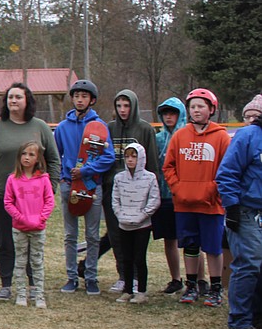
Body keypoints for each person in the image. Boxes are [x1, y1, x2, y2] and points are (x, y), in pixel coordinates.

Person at [0, 82, 59, 301]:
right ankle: (6, 284)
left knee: (32, 243)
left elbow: (53, 159)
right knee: (6, 242)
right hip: (3, 198)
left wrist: (50, 190)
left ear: (27, 100)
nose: (13, 101)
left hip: (33, 200)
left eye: (18, 97)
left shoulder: (39, 126)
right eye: (10, 97)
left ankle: (33, 286)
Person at [164, 88, 232, 306]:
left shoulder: (221, 137)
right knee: (190, 246)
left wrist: (212, 190)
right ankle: (191, 286)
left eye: (201, 106)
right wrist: (178, 188)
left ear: (211, 109)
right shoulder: (180, 135)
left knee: (212, 247)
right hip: (184, 203)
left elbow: (227, 170)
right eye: (192, 107)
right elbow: (168, 167)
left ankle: (215, 288)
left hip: (210, 205)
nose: (196, 110)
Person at [54, 79, 115, 296]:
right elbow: (55, 155)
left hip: (91, 185)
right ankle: (71, 277)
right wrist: (62, 177)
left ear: (92, 100)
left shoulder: (99, 127)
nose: (80, 100)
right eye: (76, 96)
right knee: (70, 235)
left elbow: (108, 158)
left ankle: (90, 277)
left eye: (84, 96)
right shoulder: (62, 128)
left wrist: (86, 171)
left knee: (92, 235)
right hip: (68, 185)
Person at [97, 89, 160, 292]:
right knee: (116, 235)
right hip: (114, 189)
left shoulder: (145, 129)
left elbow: (153, 163)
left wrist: (152, 190)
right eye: (119, 106)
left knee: (136, 235)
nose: (123, 110)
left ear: (133, 106)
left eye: (127, 105)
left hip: (139, 192)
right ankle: (123, 276)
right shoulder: (110, 128)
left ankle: (135, 277)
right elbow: (103, 158)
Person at [217, 94, 262, 329]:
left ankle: (257, 316)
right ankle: (239, 319)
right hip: (245, 209)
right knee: (249, 262)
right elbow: (227, 174)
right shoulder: (247, 137)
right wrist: (232, 207)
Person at [3, 140, 55, 308]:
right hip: (19, 228)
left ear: (38, 158)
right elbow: (8, 202)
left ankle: (39, 295)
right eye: (24, 154)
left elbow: (49, 201)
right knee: (20, 260)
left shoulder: (44, 179)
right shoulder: (12, 179)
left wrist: (40, 219)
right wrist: (20, 218)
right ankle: (21, 294)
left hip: (38, 228)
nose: (27, 157)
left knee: (37, 261)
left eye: (31, 154)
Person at [111, 142, 161, 304]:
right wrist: (120, 215)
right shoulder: (119, 178)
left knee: (139, 257)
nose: (130, 160)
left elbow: (154, 200)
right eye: (127, 156)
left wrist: (143, 215)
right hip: (124, 223)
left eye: (134, 156)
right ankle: (127, 290)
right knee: (126, 257)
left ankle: (141, 291)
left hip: (142, 225)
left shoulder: (150, 177)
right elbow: (115, 199)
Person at [153, 97, 189, 294]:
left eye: (172, 113)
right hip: (164, 195)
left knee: (191, 239)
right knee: (169, 238)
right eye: (165, 113)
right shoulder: (158, 139)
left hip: (185, 195)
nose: (168, 116)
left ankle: (199, 279)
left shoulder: (187, 136)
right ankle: (175, 278)